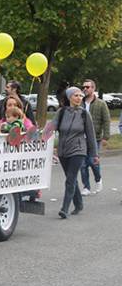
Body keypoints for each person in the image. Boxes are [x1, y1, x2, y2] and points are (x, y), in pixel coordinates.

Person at [54, 86, 98, 219]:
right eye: (76, 95)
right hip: (63, 151)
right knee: (71, 178)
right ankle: (79, 204)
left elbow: (91, 136)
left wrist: (94, 154)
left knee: (70, 179)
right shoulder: (61, 112)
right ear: (69, 97)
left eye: (80, 96)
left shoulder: (84, 114)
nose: (79, 98)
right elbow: (51, 128)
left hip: (78, 150)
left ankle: (65, 208)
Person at [80, 78, 110, 195]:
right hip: (81, 139)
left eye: (87, 87)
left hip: (95, 138)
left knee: (93, 161)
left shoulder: (101, 104)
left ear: (93, 88)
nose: (85, 89)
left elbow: (106, 121)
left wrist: (105, 137)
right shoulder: (80, 103)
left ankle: (98, 180)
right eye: (84, 87)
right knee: (82, 164)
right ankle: (86, 187)